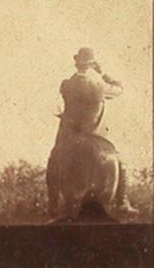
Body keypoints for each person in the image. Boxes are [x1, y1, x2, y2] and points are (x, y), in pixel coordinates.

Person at [53, 47, 138, 213]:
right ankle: (122, 201)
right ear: (92, 65)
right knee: (119, 161)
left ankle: (53, 203)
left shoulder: (66, 84)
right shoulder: (100, 85)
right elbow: (120, 88)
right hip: (96, 136)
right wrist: (102, 72)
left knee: (54, 160)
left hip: (71, 137)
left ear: (76, 63)